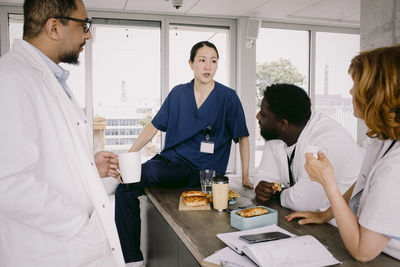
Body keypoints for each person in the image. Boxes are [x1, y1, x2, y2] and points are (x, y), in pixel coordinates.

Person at [0, 0, 124, 266]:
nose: (88, 34)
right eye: (84, 25)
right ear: (54, 27)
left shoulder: (46, 78)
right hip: (50, 251)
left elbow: (50, 158)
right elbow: (8, 182)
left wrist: (90, 165)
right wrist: (79, 225)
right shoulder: (11, 78)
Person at [115, 41, 250, 266]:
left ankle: (137, 174)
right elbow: (153, 126)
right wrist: (129, 158)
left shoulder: (228, 98)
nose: (208, 66)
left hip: (201, 173)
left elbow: (243, 137)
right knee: (124, 189)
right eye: (202, 60)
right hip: (170, 163)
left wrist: (245, 176)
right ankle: (132, 259)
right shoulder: (178, 93)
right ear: (191, 64)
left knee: (149, 172)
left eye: (213, 61)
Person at [286, 45, 400, 262]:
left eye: (356, 84)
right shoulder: (383, 140)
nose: (350, 92)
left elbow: (362, 252)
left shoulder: (395, 167)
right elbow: (365, 182)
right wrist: (325, 214)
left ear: (376, 94)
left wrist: (328, 182)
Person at [254, 83, 364, 213]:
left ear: (283, 124)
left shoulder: (327, 139)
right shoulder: (276, 135)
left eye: (263, 114)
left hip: (343, 225)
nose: (258, 116)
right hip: (314, 220)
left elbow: (303, 202)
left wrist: (276, 194)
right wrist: (262, 189)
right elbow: (265, 177)